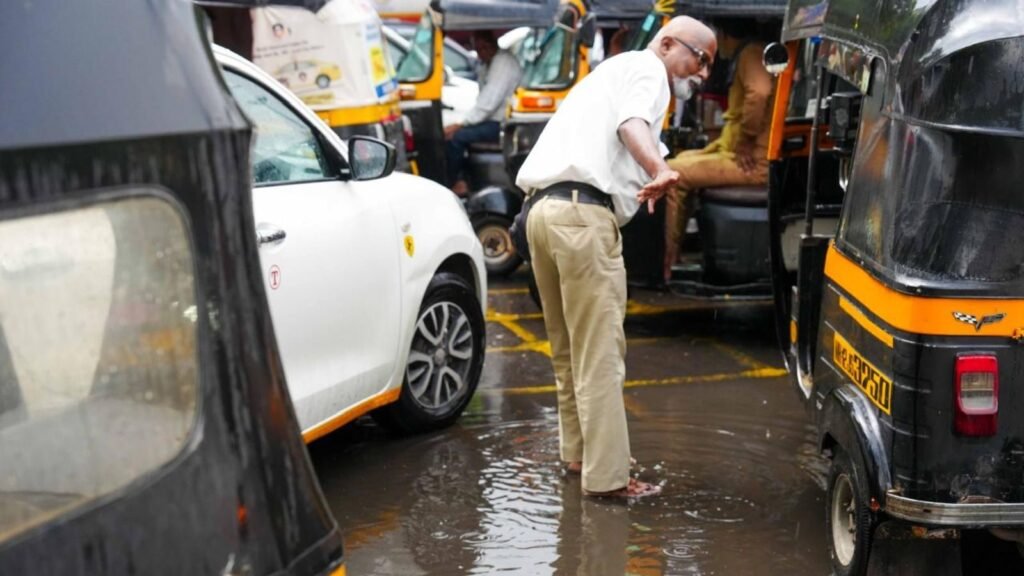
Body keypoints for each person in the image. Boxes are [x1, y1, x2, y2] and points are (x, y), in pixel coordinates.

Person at [515, 16, 716, 499]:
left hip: (542, 214)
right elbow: (632, 125)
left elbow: (628, 133)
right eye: (701, 58)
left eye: (710, 65)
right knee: (601, 354)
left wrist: (653, 165)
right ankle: (607, 480)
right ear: (667, 44)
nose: (704, 73)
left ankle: (579, 454)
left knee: (569, 352)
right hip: (582, 218)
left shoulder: (610, 72)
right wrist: (659, 168)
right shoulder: (649, 73)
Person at [662, 19, 775, 282]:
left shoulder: (751, 54)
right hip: (734, 150)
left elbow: (759, 93)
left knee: (671, 173)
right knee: (682, 159)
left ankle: (668, 258)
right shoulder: (752, 53)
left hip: (752, 162)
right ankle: (679, 250)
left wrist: (747, 139)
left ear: (722, 35)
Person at [444, 31, 523, 196]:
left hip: (501, 123)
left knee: (456, 138)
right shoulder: (489, 63)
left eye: (482, 48)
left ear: (490, 45)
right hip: (494, 118)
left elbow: (488, 103)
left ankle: (456, 183)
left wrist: (461, 124)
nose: (480, 53)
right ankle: (463, 179)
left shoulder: (502, 63)